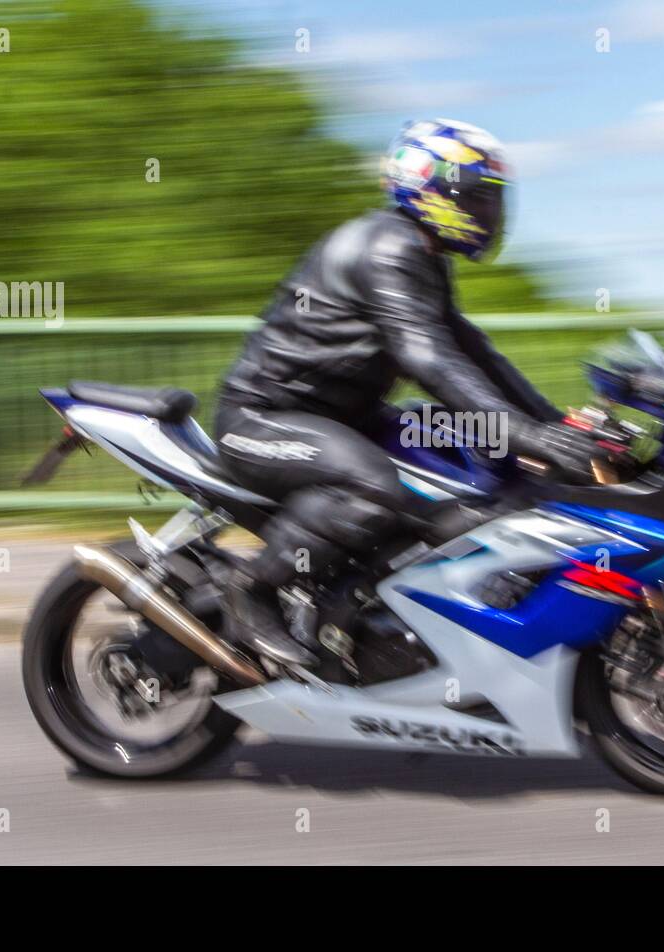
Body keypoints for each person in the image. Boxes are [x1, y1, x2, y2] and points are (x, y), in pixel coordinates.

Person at [214, 118, 603, 666]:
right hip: (262, 420)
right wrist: (531, 434)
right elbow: (430, 360)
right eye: (479, 198)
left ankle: (385, 606)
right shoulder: (386, 248)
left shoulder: (425, 256)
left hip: (346, 418)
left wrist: (549, 428)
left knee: (468, 449)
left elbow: (475, 353)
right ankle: (251, 589)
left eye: (493, 201)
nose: (490, 214)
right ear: (436, 191)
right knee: (374, 487)